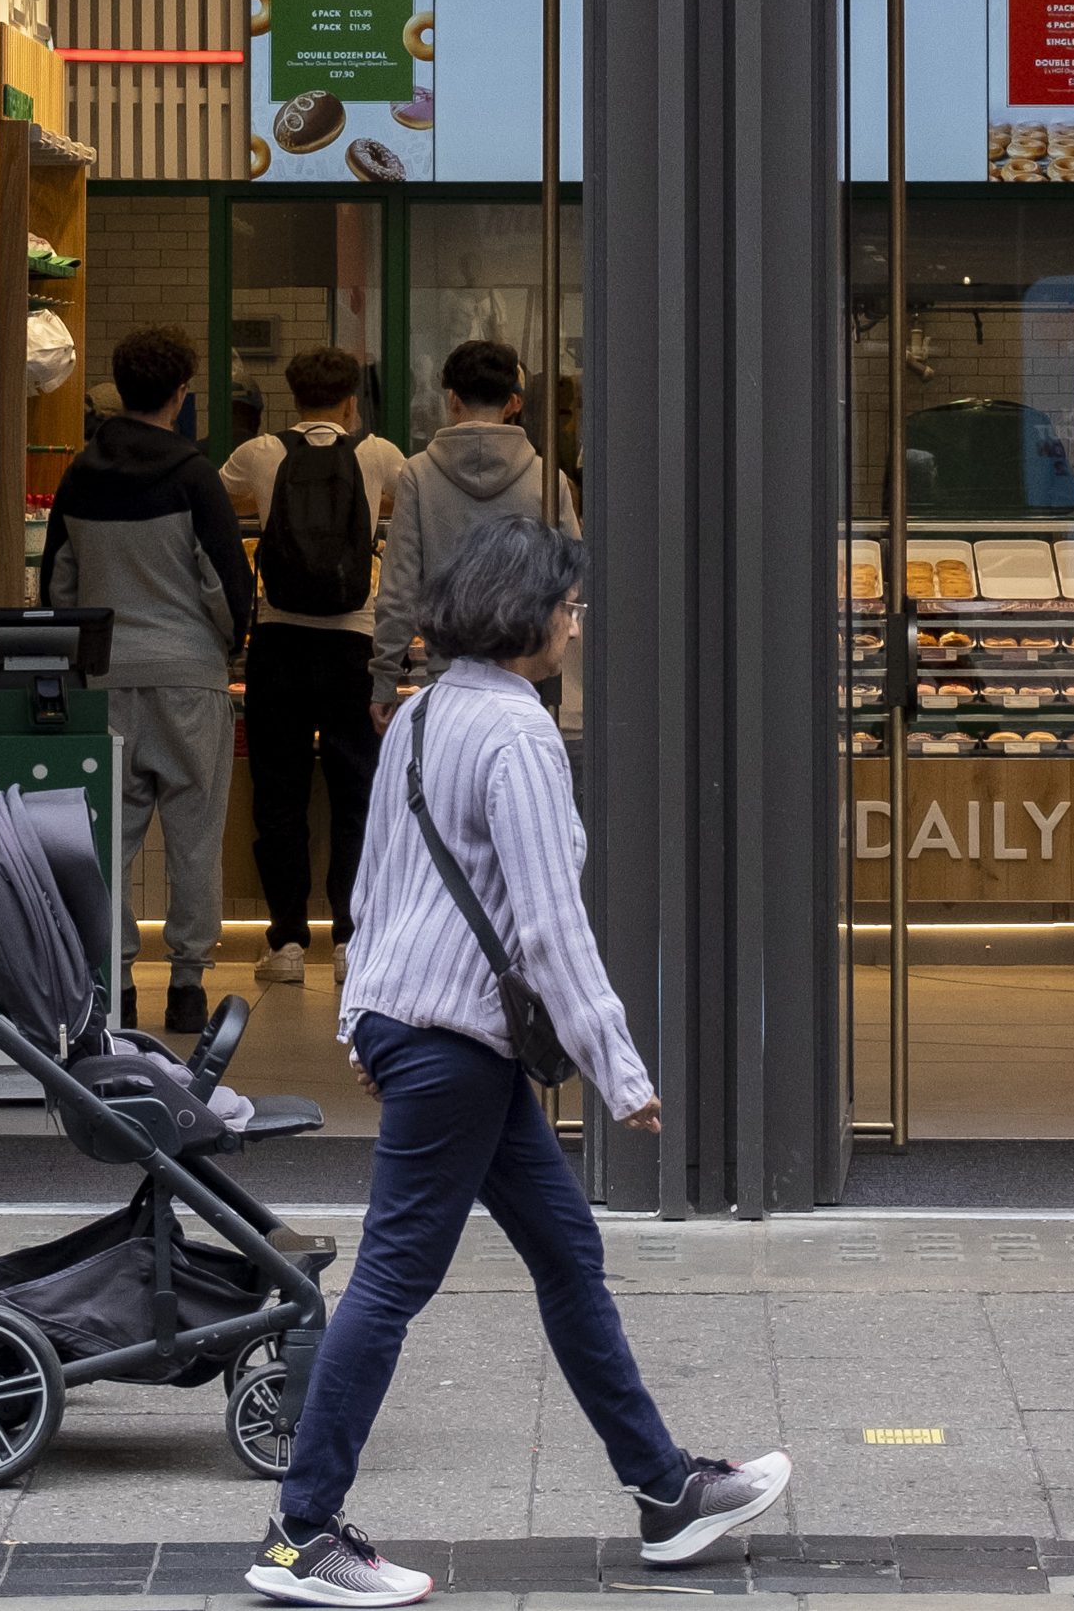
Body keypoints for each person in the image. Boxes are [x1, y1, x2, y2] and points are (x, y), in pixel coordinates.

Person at [250, 514, 789, 1606]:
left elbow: (371, 884)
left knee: (565, 1250)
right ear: (527, 615)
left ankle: (662, 1490)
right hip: (455, 1043)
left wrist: (364, 1015)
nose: (575, 622)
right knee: (396, 1278)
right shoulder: (519, 734)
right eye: (569, 605)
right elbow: (547, 926)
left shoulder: (417, 714)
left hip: (429, 1030)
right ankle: (301, 1532)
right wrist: (617, 1066)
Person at [42, 322, 254, 1035]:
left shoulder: (79, 472)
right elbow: (225, 582)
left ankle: (118, 978)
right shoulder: (192, 475)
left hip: (103, 678)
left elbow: (59, 586)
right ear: (181, 392)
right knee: (194, 834)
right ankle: (188, 984)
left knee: (110, 835)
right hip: (188, 674)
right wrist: (224, 645)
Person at [223, 344, 407, 989]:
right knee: (358, 794)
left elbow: (218, 507)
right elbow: (408, 516)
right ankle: (353, 940)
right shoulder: (380, 455)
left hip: (279, 641)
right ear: (351, 400)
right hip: (354, 644)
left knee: (280, 793)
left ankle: (287, 943)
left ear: (292, 398)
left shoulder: (260, 453)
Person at [371, 341, 544, 725]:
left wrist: (384, 679)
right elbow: (568, 585)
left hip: (446, 679)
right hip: (524, 681)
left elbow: (399, 587)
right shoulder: (547, 480)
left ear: (452, 399)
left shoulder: (418, 474)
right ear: (512, 401)